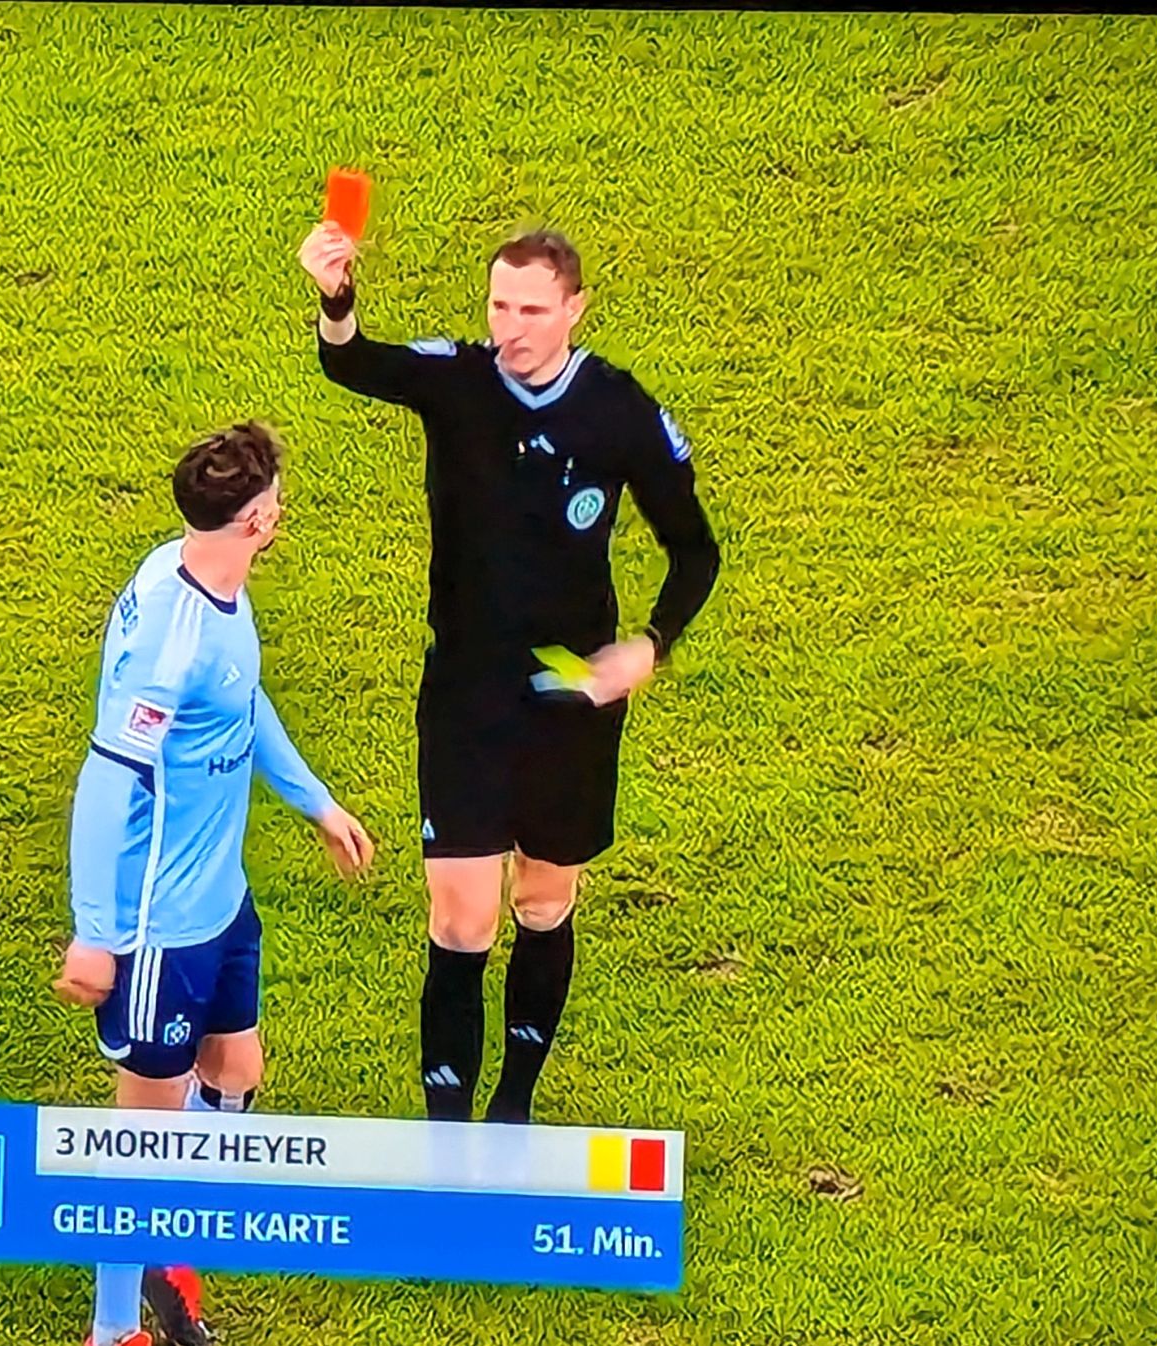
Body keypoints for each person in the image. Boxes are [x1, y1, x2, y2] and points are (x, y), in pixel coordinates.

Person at [299, 221, 721, 1126]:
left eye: (533, 309)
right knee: (460, 921)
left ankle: (514, 1108)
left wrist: (651, 644)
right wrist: (336, 296)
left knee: (543, 898)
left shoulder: (617, 411)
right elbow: (354, 364)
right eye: (500, 306)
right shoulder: (459, 381)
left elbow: (695, 551)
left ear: (574, 308)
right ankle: (447, 1133)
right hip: (466, 686)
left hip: (569, 689)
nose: (513, 327)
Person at [55, 422, 375, 1346]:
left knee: (236, 1073)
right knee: (140, 1147)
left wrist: (314, 802)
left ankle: (166, 1256)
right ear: (259, 519)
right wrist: (94, 933)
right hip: (159, 931)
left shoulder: (195, 572)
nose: (281, 507)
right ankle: (116, 1327)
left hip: (221, 904)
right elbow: (106, 778)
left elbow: (244, 695)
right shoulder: (175, 642)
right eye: (274, 498)